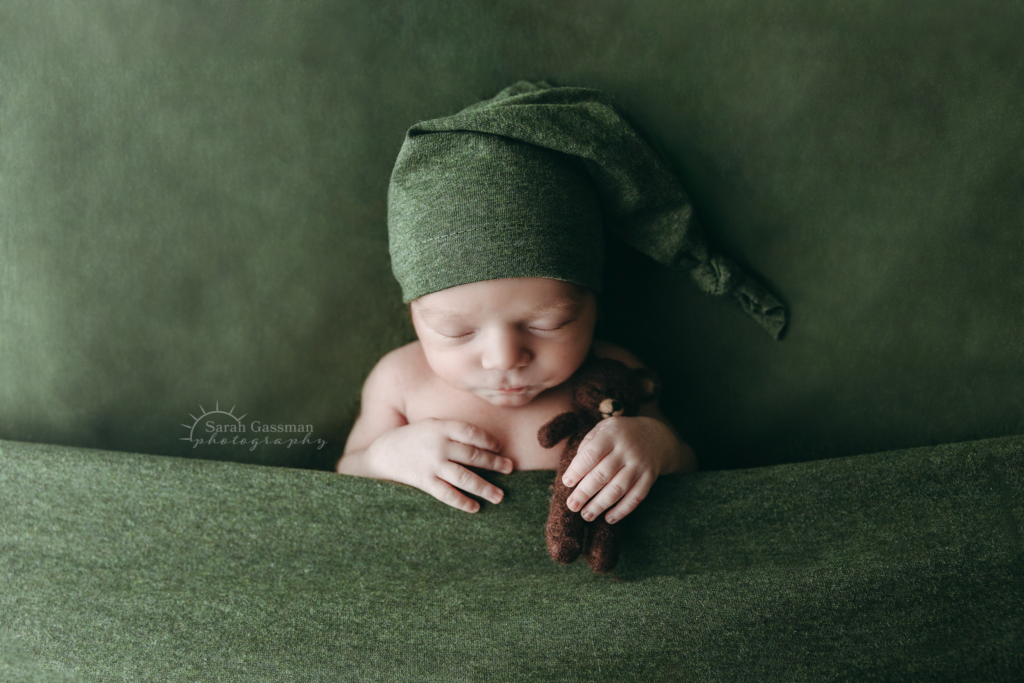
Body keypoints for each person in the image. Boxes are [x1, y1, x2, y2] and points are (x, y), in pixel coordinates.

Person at [336, 80, 786, 526]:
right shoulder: (399, 380)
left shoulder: (614, 373)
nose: (504, 358)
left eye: (547, 324)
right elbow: (345, 472)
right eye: (456, 331)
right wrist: (383, 457)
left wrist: (655, 445)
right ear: (413, 313)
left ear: (594, 306)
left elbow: (687, 465)